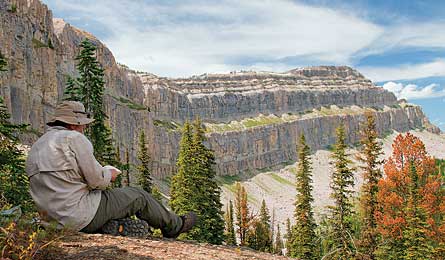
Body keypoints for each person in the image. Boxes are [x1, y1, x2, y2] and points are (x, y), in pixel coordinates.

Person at [25, 101, 196, 237]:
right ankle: (175, 226)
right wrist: (109, 174)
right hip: (78, 217)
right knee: (138, 196)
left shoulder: (37, 146)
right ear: (73, 124)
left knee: (112, 202)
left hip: (52, 222)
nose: (84, 128)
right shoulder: (74, 138)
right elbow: (97, 182)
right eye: (83, 124)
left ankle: (113, 227)